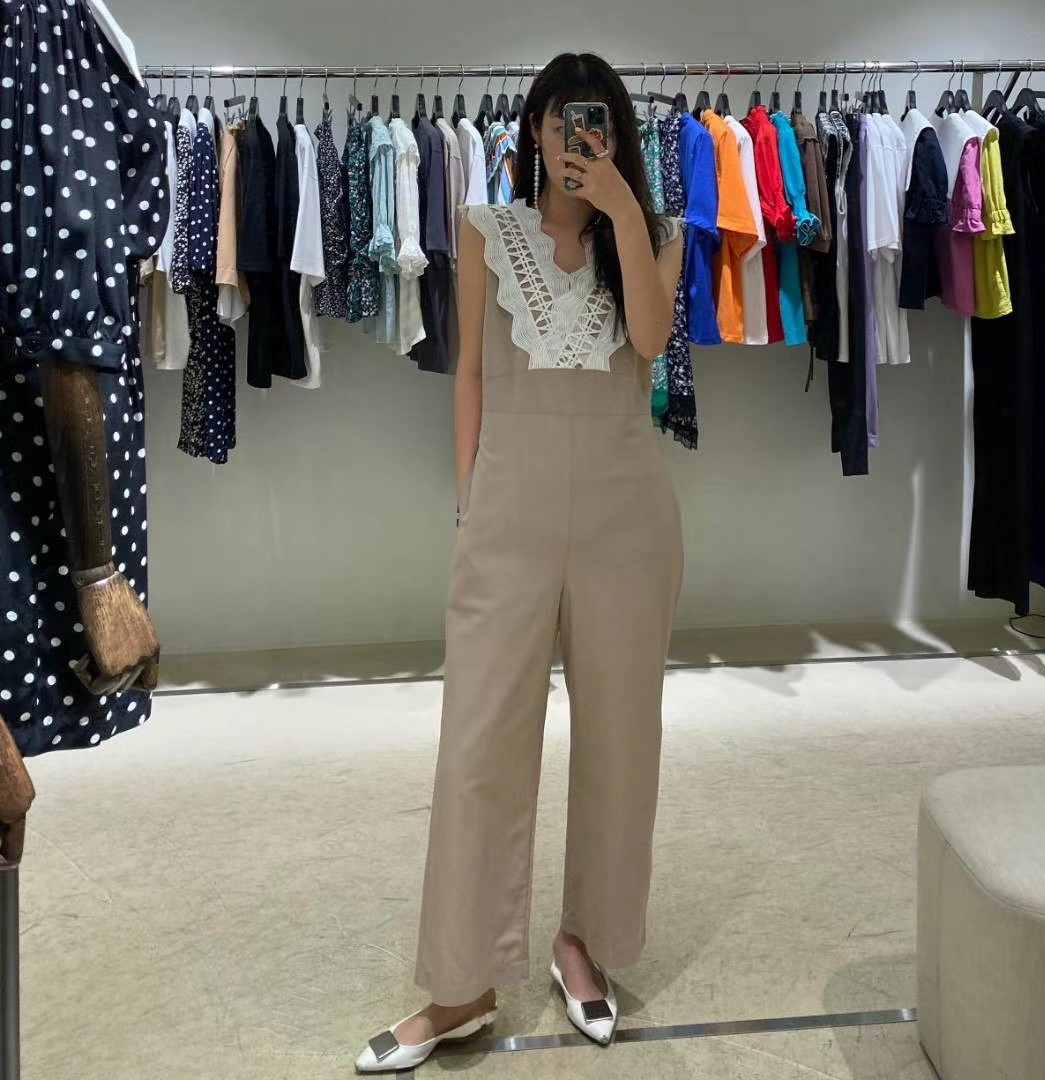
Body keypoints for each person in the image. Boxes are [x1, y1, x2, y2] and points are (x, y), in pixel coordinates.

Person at [355, 52, 686, 1073]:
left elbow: (650, 340)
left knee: (621, 742)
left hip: (627, 516)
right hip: (508, 510)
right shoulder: (484, 229)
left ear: (616, 134)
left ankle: (584, 943)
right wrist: (472, 503)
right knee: (477, 747)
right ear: (534, 130)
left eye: (595, 121)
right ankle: (460, 983)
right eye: (557, 120)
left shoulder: (658, 237)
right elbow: (468, 375)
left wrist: (624, 210)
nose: (574, 137)